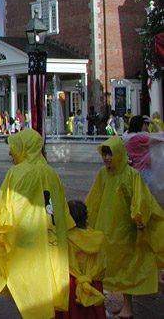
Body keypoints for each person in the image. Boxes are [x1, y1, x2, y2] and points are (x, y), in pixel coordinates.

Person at [0, 128, 74, 319]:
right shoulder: (52, 174)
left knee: (26, 290)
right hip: (50, 243)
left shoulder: (17, 173)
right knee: (43, 291)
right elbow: (63, 213)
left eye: (14, 147)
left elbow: (3, 212)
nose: (10, 152)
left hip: (23, 243)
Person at [85, 136, 164, 319]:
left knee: (126, 270)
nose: (107, 158)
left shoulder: (131, 175)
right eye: (104, 154)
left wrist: (140, 218)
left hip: (125, 231)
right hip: (106, 229)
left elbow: (142, 199)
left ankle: (127, 306)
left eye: (110, 154)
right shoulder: (103, 174)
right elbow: (94, 198)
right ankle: (115, 304)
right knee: (107, 268)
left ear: (118, 154)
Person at [55, 200, 107, 319]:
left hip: (71, 283)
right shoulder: (97, 237)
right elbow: (102, 264)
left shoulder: (63, 237)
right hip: (92, 283)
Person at [121, 114, 164, 192]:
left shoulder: (126, 136)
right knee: (145, 195)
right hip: (144, 169)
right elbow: (161, 136)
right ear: (141, 125)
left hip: (132, 167)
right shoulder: (140, 138)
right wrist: (153, 122)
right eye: (145, 124)